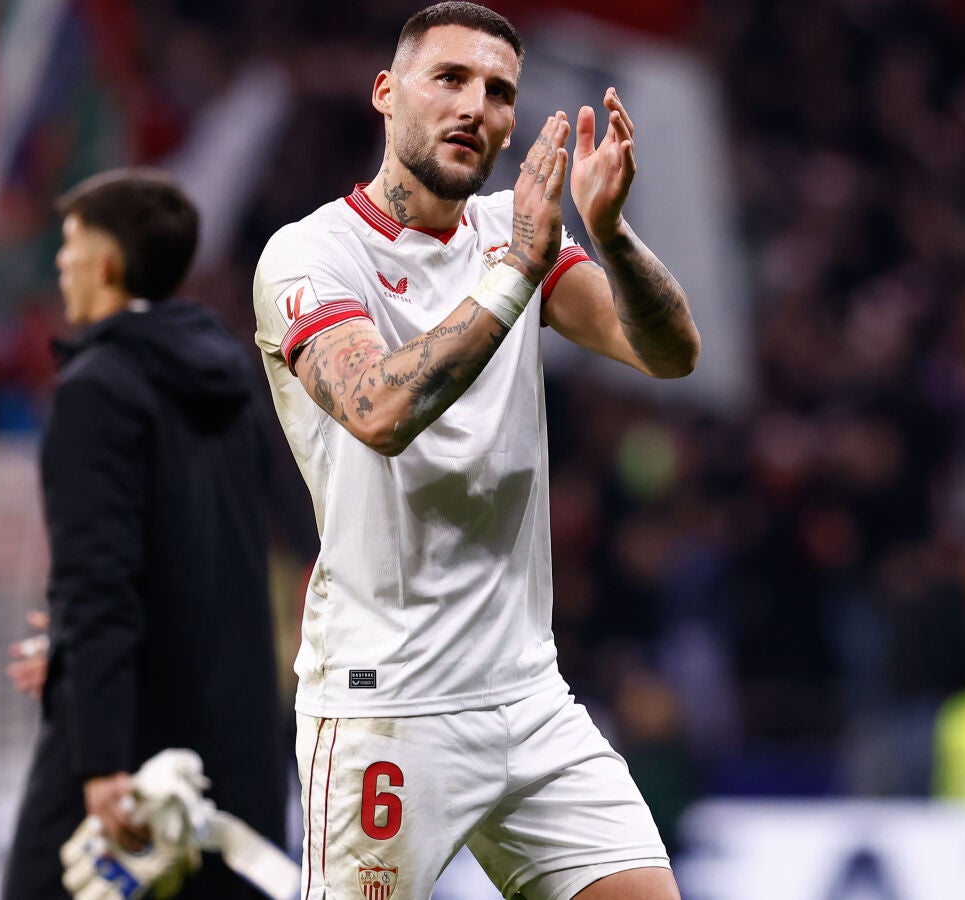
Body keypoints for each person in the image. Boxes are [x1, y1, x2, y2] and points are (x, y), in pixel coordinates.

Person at [250, 3, 700, 898]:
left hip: (528, 695)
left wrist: (609, 235)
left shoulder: (515, 232)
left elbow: (668, 352)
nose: (474, 107)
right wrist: (517, 272)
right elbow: (379, 409)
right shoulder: (310, 255)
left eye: (498, 91)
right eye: (449, 79)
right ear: (387, 93)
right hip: (387, 706)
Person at [4, 169, 288, 899]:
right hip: (235, 757)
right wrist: (70, 651)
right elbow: (202, 567)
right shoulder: (236, 387)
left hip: (135, 770)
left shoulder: (95, 390)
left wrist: (100, 761)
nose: (60, 261)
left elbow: (100, 584)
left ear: (105, 263)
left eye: (70, 244)